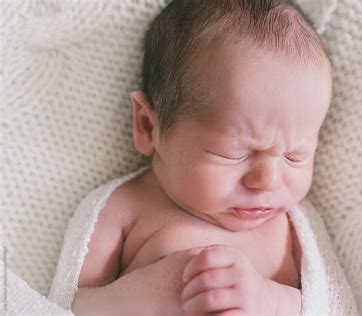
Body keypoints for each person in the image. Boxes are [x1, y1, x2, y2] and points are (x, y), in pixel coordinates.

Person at [71, 0, 332, 314]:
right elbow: (62, 304)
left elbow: (335, 306)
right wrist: (138, 296)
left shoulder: (293, 224)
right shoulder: (123, 208)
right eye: (236, 153)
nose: (268, 181)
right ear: (148, 126)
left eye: (295, 156)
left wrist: (271, 301)